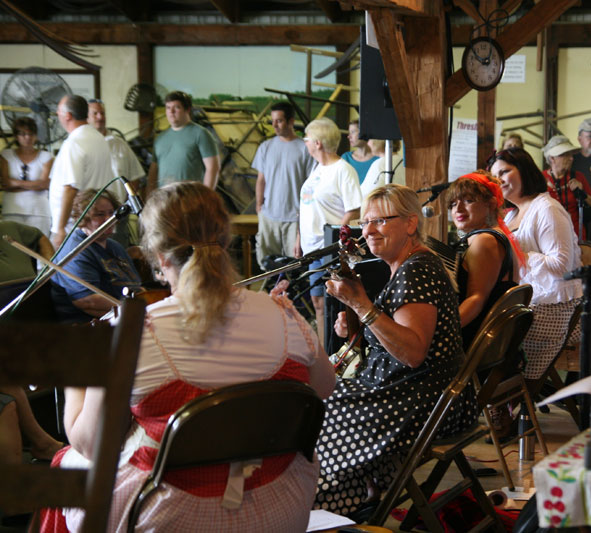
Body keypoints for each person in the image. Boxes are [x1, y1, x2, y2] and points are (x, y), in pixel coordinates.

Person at [41, 182, 335, 533]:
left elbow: (90, 444)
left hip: (172, 516)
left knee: (65, 464)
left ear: (159, 256)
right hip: (280, 508)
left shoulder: (135, 332)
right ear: (225, 242)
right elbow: (324, 385)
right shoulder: (285, 316)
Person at [317, 184, 477, 516]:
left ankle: (329, 503)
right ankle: (359, 494)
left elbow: (413, 352)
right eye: (365, 222)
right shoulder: (412, 263)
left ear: (410, 223)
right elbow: (400, 332)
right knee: (320, 394)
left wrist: (360, 305)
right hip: (426, 394)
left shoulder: (416, 270)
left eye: (380, 221)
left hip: (422, 402)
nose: (369, 231)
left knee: (316, 404)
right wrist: (362, 323)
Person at [488, 148, 582, 390]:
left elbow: (561, 265)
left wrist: (519, 254)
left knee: (499, 343)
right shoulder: (510, 216)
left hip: (554, 306)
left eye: (505, 171)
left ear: (525, 170)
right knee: (480, 334)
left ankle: (505, 396)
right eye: (494, 177)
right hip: (528, 301)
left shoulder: (547, 208)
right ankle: (496, 397)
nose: (500, 181)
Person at [299, 117, 361, 341]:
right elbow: (308, 206)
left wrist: (337, 238)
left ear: (317, 142)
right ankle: (321, 350)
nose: (304, 143)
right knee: (316, 301)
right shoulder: (317, 168)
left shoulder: (343, 170)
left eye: (306, 139)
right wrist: (299, 238)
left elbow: (354, 208)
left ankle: (331, 352)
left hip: (329, 249)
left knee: (331, 303)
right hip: (311, 247)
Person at [446, 170, 524, 349]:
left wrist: (441, 331)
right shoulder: (495, 235)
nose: (458, 209)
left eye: (468, 200)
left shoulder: (485, 240)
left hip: (474, 342)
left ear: (490, 204)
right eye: (453, 203)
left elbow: (476, 300)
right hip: (490, 342)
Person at [50, 189, 141, 323]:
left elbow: (136, 286)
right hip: (89, 328)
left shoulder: (115, 247)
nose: (109, 219)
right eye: (99, 214)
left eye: (111, 213)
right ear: (83, 218)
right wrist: (136, 311)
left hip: (126, 316)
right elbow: (88, 301)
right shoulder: (75, 251)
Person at [251, 102, 316, 267]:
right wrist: (259, 207)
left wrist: (305, 213)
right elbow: (261, 179)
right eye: (273, 121)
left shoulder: (305, 148)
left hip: (294, 218)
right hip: (269, 217)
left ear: (291, 121)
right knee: (267, 264)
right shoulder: (265, 147)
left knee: (294, 265)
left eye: (279, 121)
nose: (274, 125)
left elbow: (311, 184)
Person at [49, 95, 114, 248]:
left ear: (68, 115)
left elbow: (70, 188)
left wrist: (60, 229)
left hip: (74, 226)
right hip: (92, 222)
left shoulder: (74, 143)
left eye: (58, 111)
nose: (57, 115)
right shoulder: (98, 138)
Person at [87, 98, 146, 247]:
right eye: (95, 113)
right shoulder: (82, 144)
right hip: (91, 216)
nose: (100, 117)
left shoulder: (119, 144)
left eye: (102, 113)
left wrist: (123, 204)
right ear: (87, 117)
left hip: (118, 215)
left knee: (119, 255)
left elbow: (135, 176)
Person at [146, 91, 220, 194]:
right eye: (168, 107)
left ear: (187, 110)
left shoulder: (201, 134)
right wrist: (149, 196)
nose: (171, 111)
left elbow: (213, 168)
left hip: (191, 198)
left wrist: (206, 196)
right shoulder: (160, 139)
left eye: (176, 107)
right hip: (163, 199)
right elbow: (153, 171)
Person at [0, 117, 54, 236]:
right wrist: (35, 184)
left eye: (31, 134)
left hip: (39, 211)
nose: (27, 137)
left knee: (39, 249)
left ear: (36, 135)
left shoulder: (46, 156)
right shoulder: (6, 155)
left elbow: (45, 184)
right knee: (13, 250)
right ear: (16, 136)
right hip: (12, 210)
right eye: (23, 134)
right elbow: (5, 184)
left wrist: (15, 183)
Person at [542, 135, 591, 240]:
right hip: (548, 237)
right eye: (565, 155)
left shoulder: (578, 177)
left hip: (576, 237)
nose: (571, 158)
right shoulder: (540, 179)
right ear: (552, 158)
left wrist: (583, 193)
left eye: (571, 155)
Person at [341, 120, 378, 185]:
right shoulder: (346, 158)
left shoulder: (378, 158)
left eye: (353, 132)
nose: (349, 136)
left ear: (364, 132)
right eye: (349, 132)